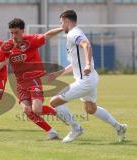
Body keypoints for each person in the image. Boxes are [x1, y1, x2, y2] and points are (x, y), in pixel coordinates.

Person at [47, 10, 127, 143]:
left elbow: (86, 45)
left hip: (85, 80)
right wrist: (58, 73)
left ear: (67, 21)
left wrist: (88, 65)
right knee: (90, 108)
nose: (61, 26)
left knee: (54, 102)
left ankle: (76, 128)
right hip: (90, 78)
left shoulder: (74, 33)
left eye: (61, 22)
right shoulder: (74, 33)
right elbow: (75, 63)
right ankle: (119, 127)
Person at [0, 18, 67, 140]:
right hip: (20, 83)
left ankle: (57, 113)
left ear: (22, 30)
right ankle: (51, 132)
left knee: (37, 110)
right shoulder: (7, 45)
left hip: (33, 79)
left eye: (16, 32)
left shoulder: (31, 40)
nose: (14, 36)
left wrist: (63, 28)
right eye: (12, 33)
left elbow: (47, 35)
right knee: (27, 110)